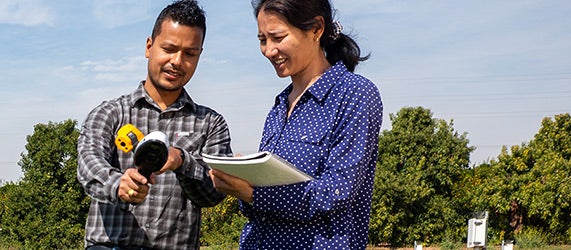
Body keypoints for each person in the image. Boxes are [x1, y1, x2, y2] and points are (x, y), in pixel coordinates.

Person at [209, 0, 383, 249]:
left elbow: (336, 193)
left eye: (277, 37)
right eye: (262, 40)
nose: (269, 50)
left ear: (316, 29)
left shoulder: (354, 94)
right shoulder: (280, 105)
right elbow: (260, 209)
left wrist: (252, 194)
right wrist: (239, 182)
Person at [77, 1, 232, 249]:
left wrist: (182, 160)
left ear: (199, 55)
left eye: (190, 53)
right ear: (149, 47)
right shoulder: (110, 113)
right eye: (169, 49)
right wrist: (118, 184)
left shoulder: (211, 124)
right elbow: (88, 165)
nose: (177, 61)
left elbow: (215, 191)